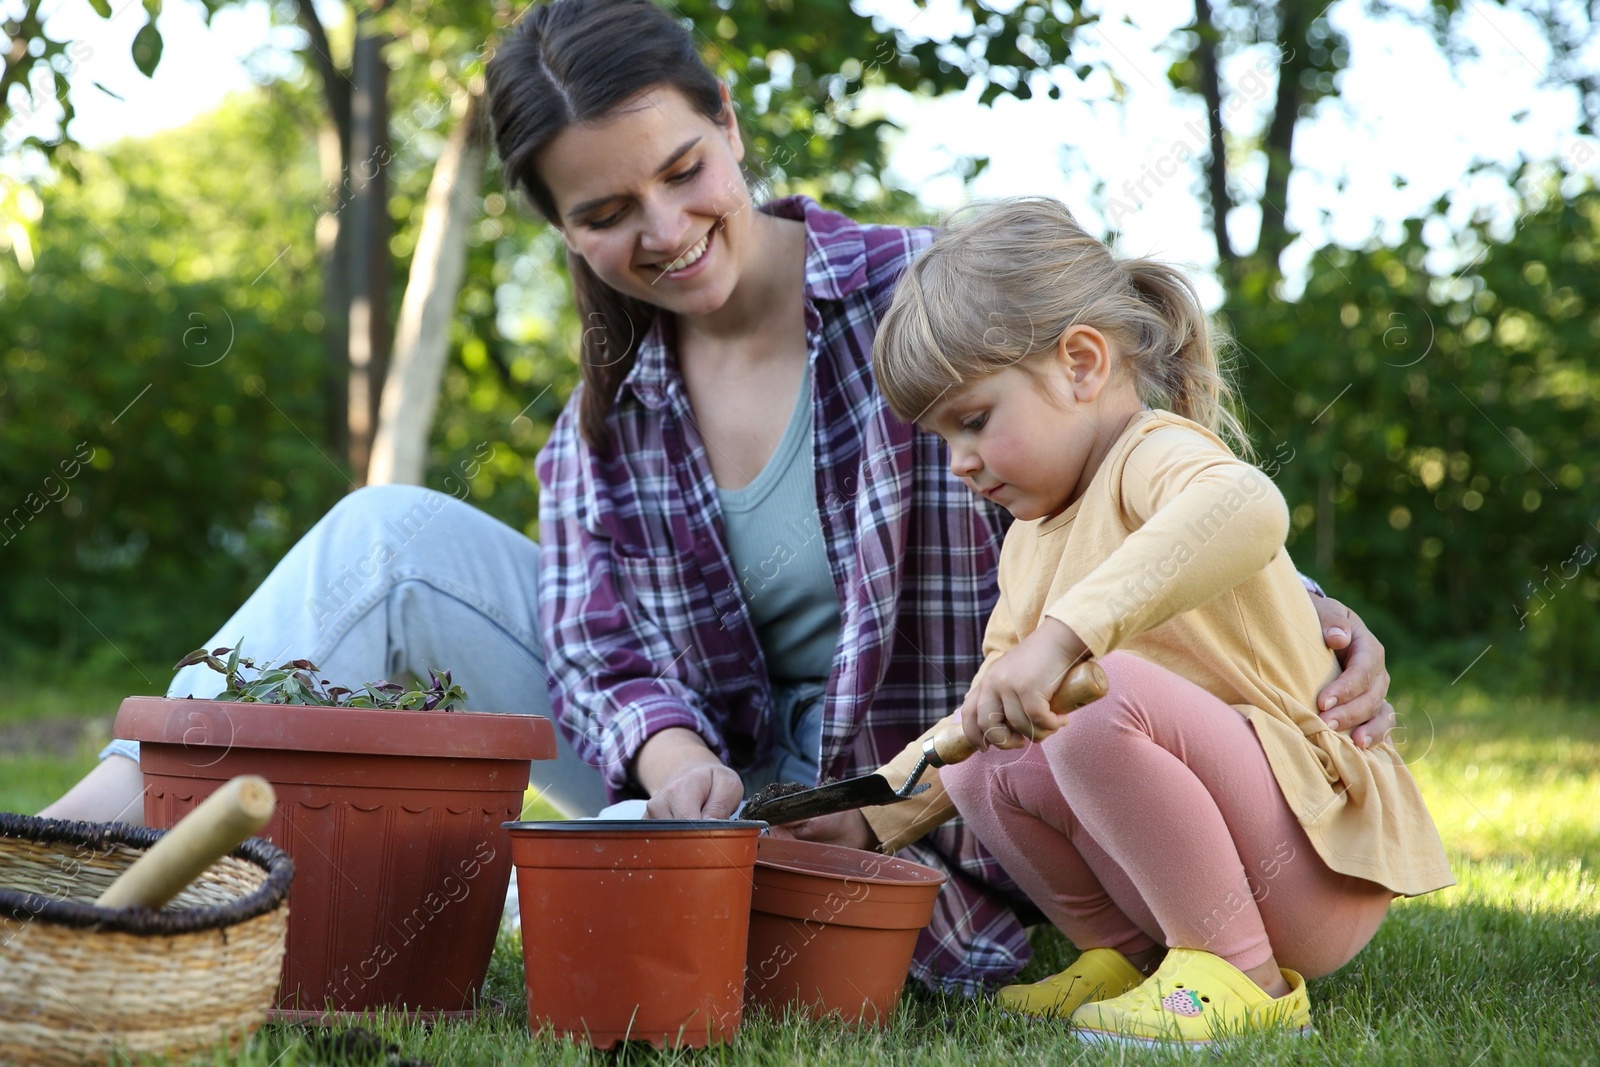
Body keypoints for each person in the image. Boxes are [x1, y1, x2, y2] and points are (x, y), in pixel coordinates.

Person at [39, 0, 1400, 995]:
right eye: (605, 211)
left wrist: (1314, 624)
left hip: (905, 777)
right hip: (718, 764)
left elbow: (1133, 467)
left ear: (732, 127)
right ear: (560, 227)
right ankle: (70, 850)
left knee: (627, 908)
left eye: (685, 171)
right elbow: (589, 642)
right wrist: (661, 750)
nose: (665, 229)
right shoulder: (605, 410)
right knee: (383, 536)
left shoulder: (926, 307)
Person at [863, 194, 1452, 1041]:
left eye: (975, 421)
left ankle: (1241, 978)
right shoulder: (1030, 538)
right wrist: (870, 811)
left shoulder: (1156, 449)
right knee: (992, 747)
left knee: (1090, 695)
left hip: (1313, 865)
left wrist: (1062, 640)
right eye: (942, 438)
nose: (959, 462)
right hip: (1209, 865)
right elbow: (981, 719)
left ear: (1081, 364)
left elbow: (1243, 504)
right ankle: (1129, 955)